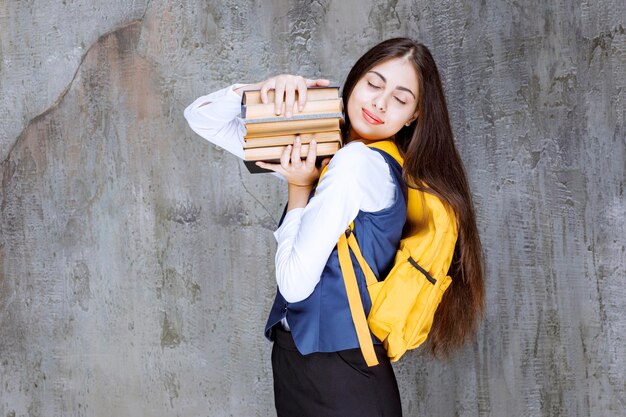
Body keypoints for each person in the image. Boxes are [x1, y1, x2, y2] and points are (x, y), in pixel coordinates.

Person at [184, 37, 484, 417]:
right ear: (356, 79)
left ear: (413, 116)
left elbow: (293, 283)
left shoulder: (355, 164)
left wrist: (298, 187)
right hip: (309, 367)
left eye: (400, 98)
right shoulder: (331, 150)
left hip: (340, 376)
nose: (379, 102)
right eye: (374, 84)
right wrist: (266, 92)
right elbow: (201, 117)